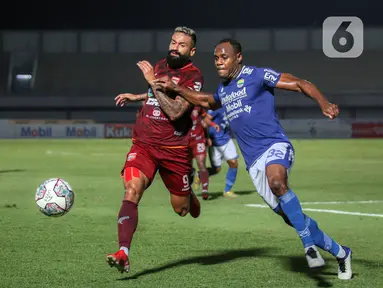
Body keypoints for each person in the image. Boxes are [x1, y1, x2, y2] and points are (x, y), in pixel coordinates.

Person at [152, 38, 352, 280]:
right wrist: (176, 89)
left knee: (278, 183)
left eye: (224, 57)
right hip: (254, 163)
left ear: (238, 57)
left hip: (275, 145)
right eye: (215, 58)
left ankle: (308, 246)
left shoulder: (257, 75)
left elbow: (300, 83)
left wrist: (324, 103)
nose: (218, 62)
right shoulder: (224, 90)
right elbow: (205, 100)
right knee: (293, 218)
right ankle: (341, 253)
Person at [106, 26, 204, 274]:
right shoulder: (160, 65)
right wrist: (138, 95)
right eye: (173, 42)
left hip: (175, 150)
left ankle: (188, 194)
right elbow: (154, 92)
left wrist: (152, 83)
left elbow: (175, 111)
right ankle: (123, 252)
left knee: (182, 210)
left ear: (191, 50)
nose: (174, 47)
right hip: (145, 144)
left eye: (181, 44)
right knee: (132, 190)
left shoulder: (194, 77)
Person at [202, 107, 239, 198]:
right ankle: (201, 175)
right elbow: (205, 121)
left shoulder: (233, 105)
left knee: (234, 163)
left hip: (227, 139)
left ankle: (227, 190)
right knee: (216, 169)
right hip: (215, 142)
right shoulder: (216, 107)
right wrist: (207, 138)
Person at [189, 106, 210, 199]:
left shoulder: (198, 106)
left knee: (201, 163)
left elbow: (205, 119)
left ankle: (205, 190)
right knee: (187, 167)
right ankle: (188, 189)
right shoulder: (178, 105)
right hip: (186, 140)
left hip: (199, 139)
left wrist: (208, 136)